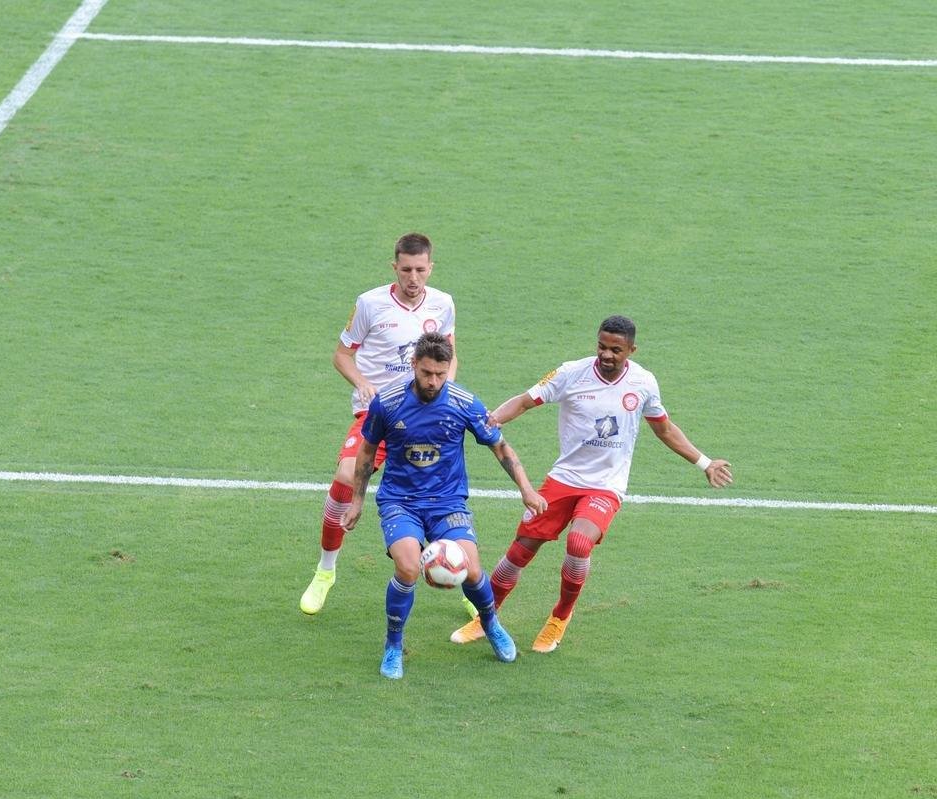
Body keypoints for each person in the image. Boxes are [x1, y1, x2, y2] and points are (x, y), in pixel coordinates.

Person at [450, 315, 733, 654]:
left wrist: (704, 462)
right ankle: (486, 617)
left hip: (605, 486)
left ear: (631, 350)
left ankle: (559, 617)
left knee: (580, 542)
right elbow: (525, 400)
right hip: (564, 479)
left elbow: (665, 429)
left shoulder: (643, 383)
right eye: (602, 346)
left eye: (616, 349)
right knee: (520, 551)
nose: (607, 354)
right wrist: (492, 418)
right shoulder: (571, 373)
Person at [342, 332, 548, 679]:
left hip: (447, 502)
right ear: (414, 366)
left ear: (448, 367)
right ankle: (394, 645)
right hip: (400, 501)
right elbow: (366, 452)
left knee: (471, 569)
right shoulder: (388, 402)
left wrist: (527, 489)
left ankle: (491, 623)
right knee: (407, 569)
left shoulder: (464, 402)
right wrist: (356, 501)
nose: (433, 381)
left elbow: (500, 447)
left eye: (440, 374)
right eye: (426, 373)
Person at [300, 232, 463, 615]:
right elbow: (342, 355)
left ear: (430, 268)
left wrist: (446, 390)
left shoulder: (443, 304)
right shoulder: (370, 304)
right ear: (395, 267)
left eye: (420, 270)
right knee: (344, 476)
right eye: (406, 269)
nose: (413, 278)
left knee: (441, 498)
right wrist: (362, 383)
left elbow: (450, 353)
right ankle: (325, 571)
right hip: (378, 413)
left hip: (425, 414)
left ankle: (467, 582)